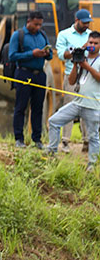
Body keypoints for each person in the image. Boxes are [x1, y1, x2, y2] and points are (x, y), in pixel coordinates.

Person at [47, 31, 100, 171]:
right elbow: (71, 81)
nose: (93, 45)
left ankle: (92, 164)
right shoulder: (83, 59)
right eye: (91, 43)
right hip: (77, 103)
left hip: (93, 105)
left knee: (93, 136)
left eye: (96, 43)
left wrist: (85, 65)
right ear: (87, 43)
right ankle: (51, 153)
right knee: (53, 121)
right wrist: (76, 64)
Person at [9, 11, 51, 149]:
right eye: (35, 24)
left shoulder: (42, 35)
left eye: (40, 24)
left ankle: (37, 139)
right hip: (23, 73)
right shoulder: (18, 35)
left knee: (38, 107)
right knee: (21, 106)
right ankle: (19, 138)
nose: (38, 27)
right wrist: (32, 54)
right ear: (29, 21)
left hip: (39, 74)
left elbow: (50, 56)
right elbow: (12, 56)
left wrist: (46, 53)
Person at [56, 9, 93, 153]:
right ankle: (65, 141)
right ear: (76, 20)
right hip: (71, 75)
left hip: (88, 75)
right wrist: (75, 52)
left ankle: (87, 141)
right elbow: (61, 55)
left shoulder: (91, 35)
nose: (86, 25)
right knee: (69, 108)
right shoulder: (64, 35)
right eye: (84, 22)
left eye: (88, 23)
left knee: (87, 107)